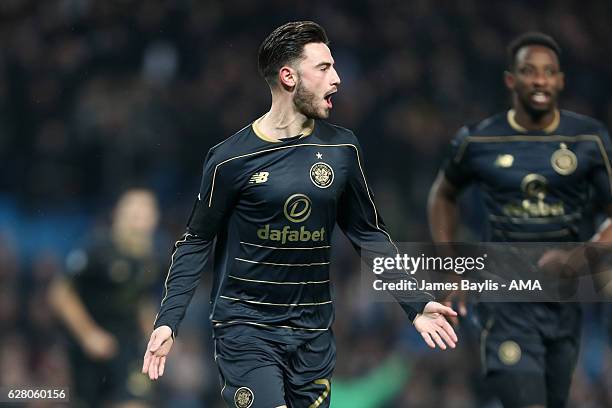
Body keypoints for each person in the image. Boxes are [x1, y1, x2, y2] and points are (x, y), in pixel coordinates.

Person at [142, 21, 457, 408]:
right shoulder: (230, 159)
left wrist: (416, 303)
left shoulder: (343, 149)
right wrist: (168, 320)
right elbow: (195, 243)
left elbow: (369, 235)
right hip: (247, 331)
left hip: (313, 336)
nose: (338, 79)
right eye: (324, 68)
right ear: (289, 77)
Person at [428, 32, 612, 408]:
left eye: (548, 72)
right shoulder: (477, 141)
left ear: (560, 81)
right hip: (502, 301)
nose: (540, 80)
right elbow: (442, 194)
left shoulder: (589, 140)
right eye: (529, 71)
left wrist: (579, 259)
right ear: (511, 80)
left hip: (563, 305)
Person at [49, 188, 161, 408]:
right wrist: (88, 334)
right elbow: (60, 293)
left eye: (146, 209)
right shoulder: (97, 247)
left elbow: (143, 300)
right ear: (118, 214)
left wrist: (155, 338)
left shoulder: (153, 258)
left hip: (128, 348)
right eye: (134, 208)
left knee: (135, 402)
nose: (140, 214)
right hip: (86, 349)